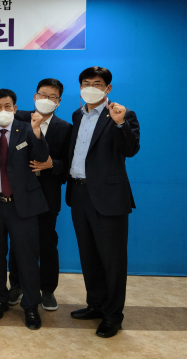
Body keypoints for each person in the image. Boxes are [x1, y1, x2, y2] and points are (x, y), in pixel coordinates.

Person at [0, 79, 72, 311]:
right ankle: (16, 286)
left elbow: (68, 161)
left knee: (44, 244)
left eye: (52, 97)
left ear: (59, 101)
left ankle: (46, 291)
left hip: (45, 193)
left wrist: (51, 164)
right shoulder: (19, 117)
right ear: (34, 96)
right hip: (7, 198)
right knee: (13, 248)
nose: (46, 99)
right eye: (43, 95)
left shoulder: (64, 127)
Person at [67, 66, 140, 338]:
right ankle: (95, 305)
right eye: (85, 83)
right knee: (89, 256)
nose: (90, 88)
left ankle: (113, 316)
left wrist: (120, 124)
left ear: (107, 88)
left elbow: (131, 150)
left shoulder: (122, 114)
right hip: (79, 193)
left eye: (96, 83)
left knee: (112, 260)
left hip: (108, 198)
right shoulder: (77, 115)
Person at [0, 88, 49, 330]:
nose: (3, 110)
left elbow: (41, 157)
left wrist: (37, 131)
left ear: (15, 108)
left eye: (7, 106)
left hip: (23, 206)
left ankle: (31, 306)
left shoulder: (27, 128)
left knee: (27, 258)